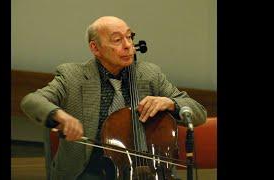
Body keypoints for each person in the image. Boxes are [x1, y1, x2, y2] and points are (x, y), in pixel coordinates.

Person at [20, 16, 207, 180]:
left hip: (150, 170)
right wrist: (61, 116)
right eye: (117, 40)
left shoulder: (150, 74)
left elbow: (198, 112)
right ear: (95, 48)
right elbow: (32, 101)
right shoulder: (72, 76)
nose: (128, 45)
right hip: (87, 170)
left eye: (129, 37)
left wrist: (170, 103)